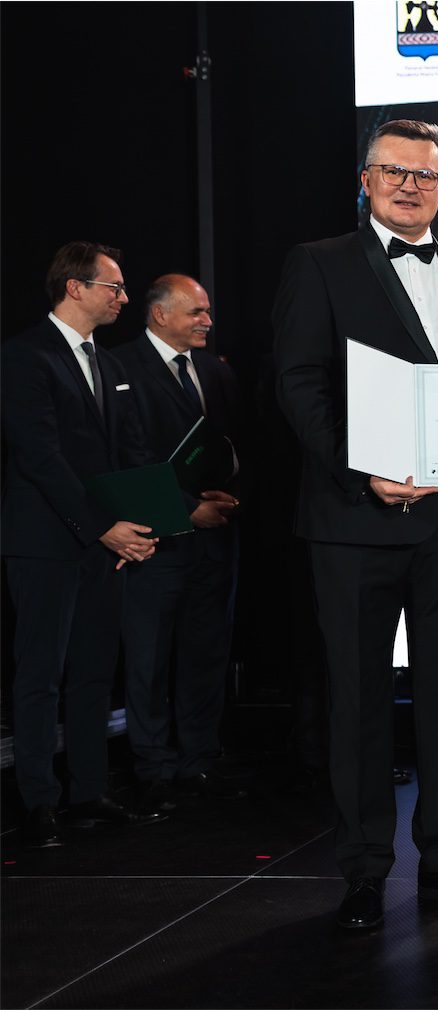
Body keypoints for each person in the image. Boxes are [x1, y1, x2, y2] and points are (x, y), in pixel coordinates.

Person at [273, 119, 438, 929]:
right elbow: (298, 384)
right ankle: (362, 870)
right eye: (394, 171)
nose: (409, 186)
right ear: (366, 180)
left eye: (425, 175)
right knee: (358, 704)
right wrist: (362, 471)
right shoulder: (318, 262)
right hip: (353, 521)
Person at [3, 241, 166, 846]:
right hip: (46, 541)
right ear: (75, 287)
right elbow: (40, 458)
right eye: (113, 287)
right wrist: (104, 528)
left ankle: (89, 791)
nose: (124, 297)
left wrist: (142, 528)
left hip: (105, 544)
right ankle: (38, 801)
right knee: (41, 674)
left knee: (95, 672)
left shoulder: (110, 363)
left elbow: (127, 455)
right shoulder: (25, 356)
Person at [115, 274, 245, 810]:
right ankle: (153, 769)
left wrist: (227, 497)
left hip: (215, 543)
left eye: (207, 311)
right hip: (156, 540)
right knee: (148, 660)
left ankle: (198, 761)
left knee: (205, 654)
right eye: (196, 312)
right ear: (160, 314)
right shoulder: (119, 366)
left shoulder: (216, 372)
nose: (207, 321)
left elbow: (237, 443)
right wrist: (189, 508)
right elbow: (129, 454)